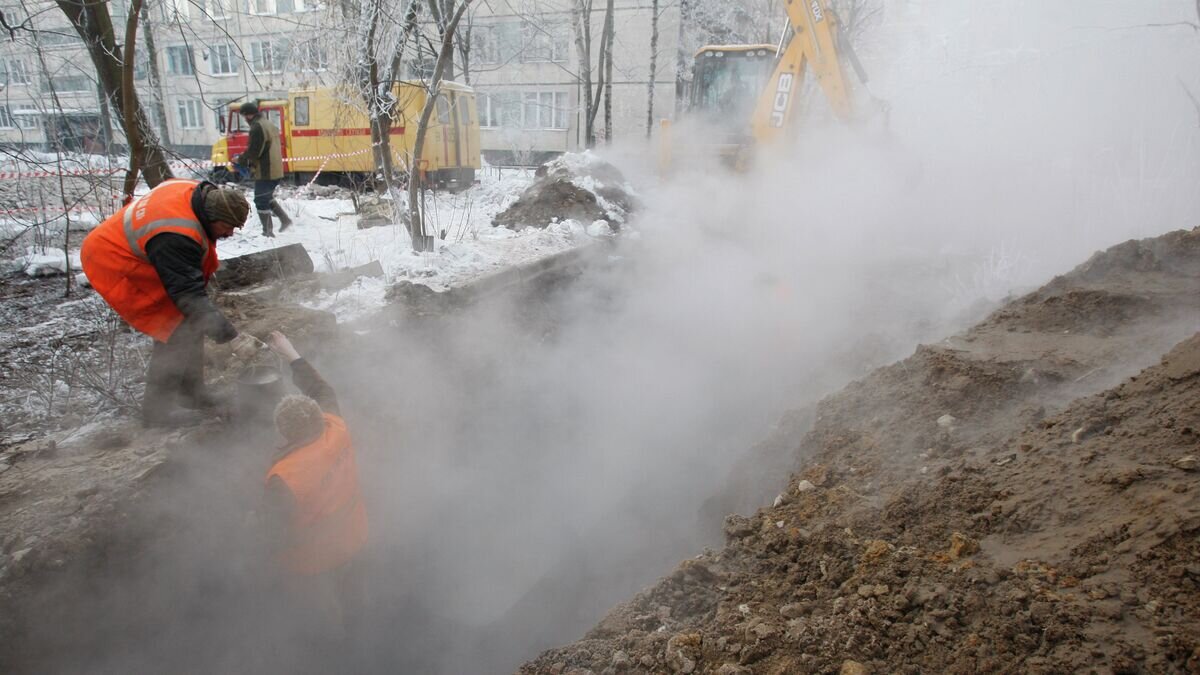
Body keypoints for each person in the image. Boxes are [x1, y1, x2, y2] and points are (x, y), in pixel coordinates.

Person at [81, 178, 260, 427]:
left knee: (191, 320)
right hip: (114, 260)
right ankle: (157, 414)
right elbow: (188, 295)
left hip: (144, 250)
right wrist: (232, 337)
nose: (230, 233)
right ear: (211, 218)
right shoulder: (175, 235)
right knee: (174, 327)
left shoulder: (197, 197)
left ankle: (192, 393)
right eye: (228, 227)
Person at [262, 331, 368, 633]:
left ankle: (332, 647)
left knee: (324, 613)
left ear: (284, 432)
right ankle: (358, 632)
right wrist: (290, 351)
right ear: (317, 418)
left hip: (313, 561)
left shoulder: (285, 478)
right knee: (353, 596)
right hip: (354, 536)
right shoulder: (336, 427)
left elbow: (273, 533)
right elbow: (320, 389)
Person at [233, 101, 292, 237]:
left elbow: (254, 151)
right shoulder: (268, 123)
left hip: (266, 171)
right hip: (275, 168)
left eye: (244, 117)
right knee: (266, 197)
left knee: (260, 200)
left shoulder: (257, 127)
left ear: (247, 115)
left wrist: (240, 159)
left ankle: (267, 233)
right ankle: (285, 220)